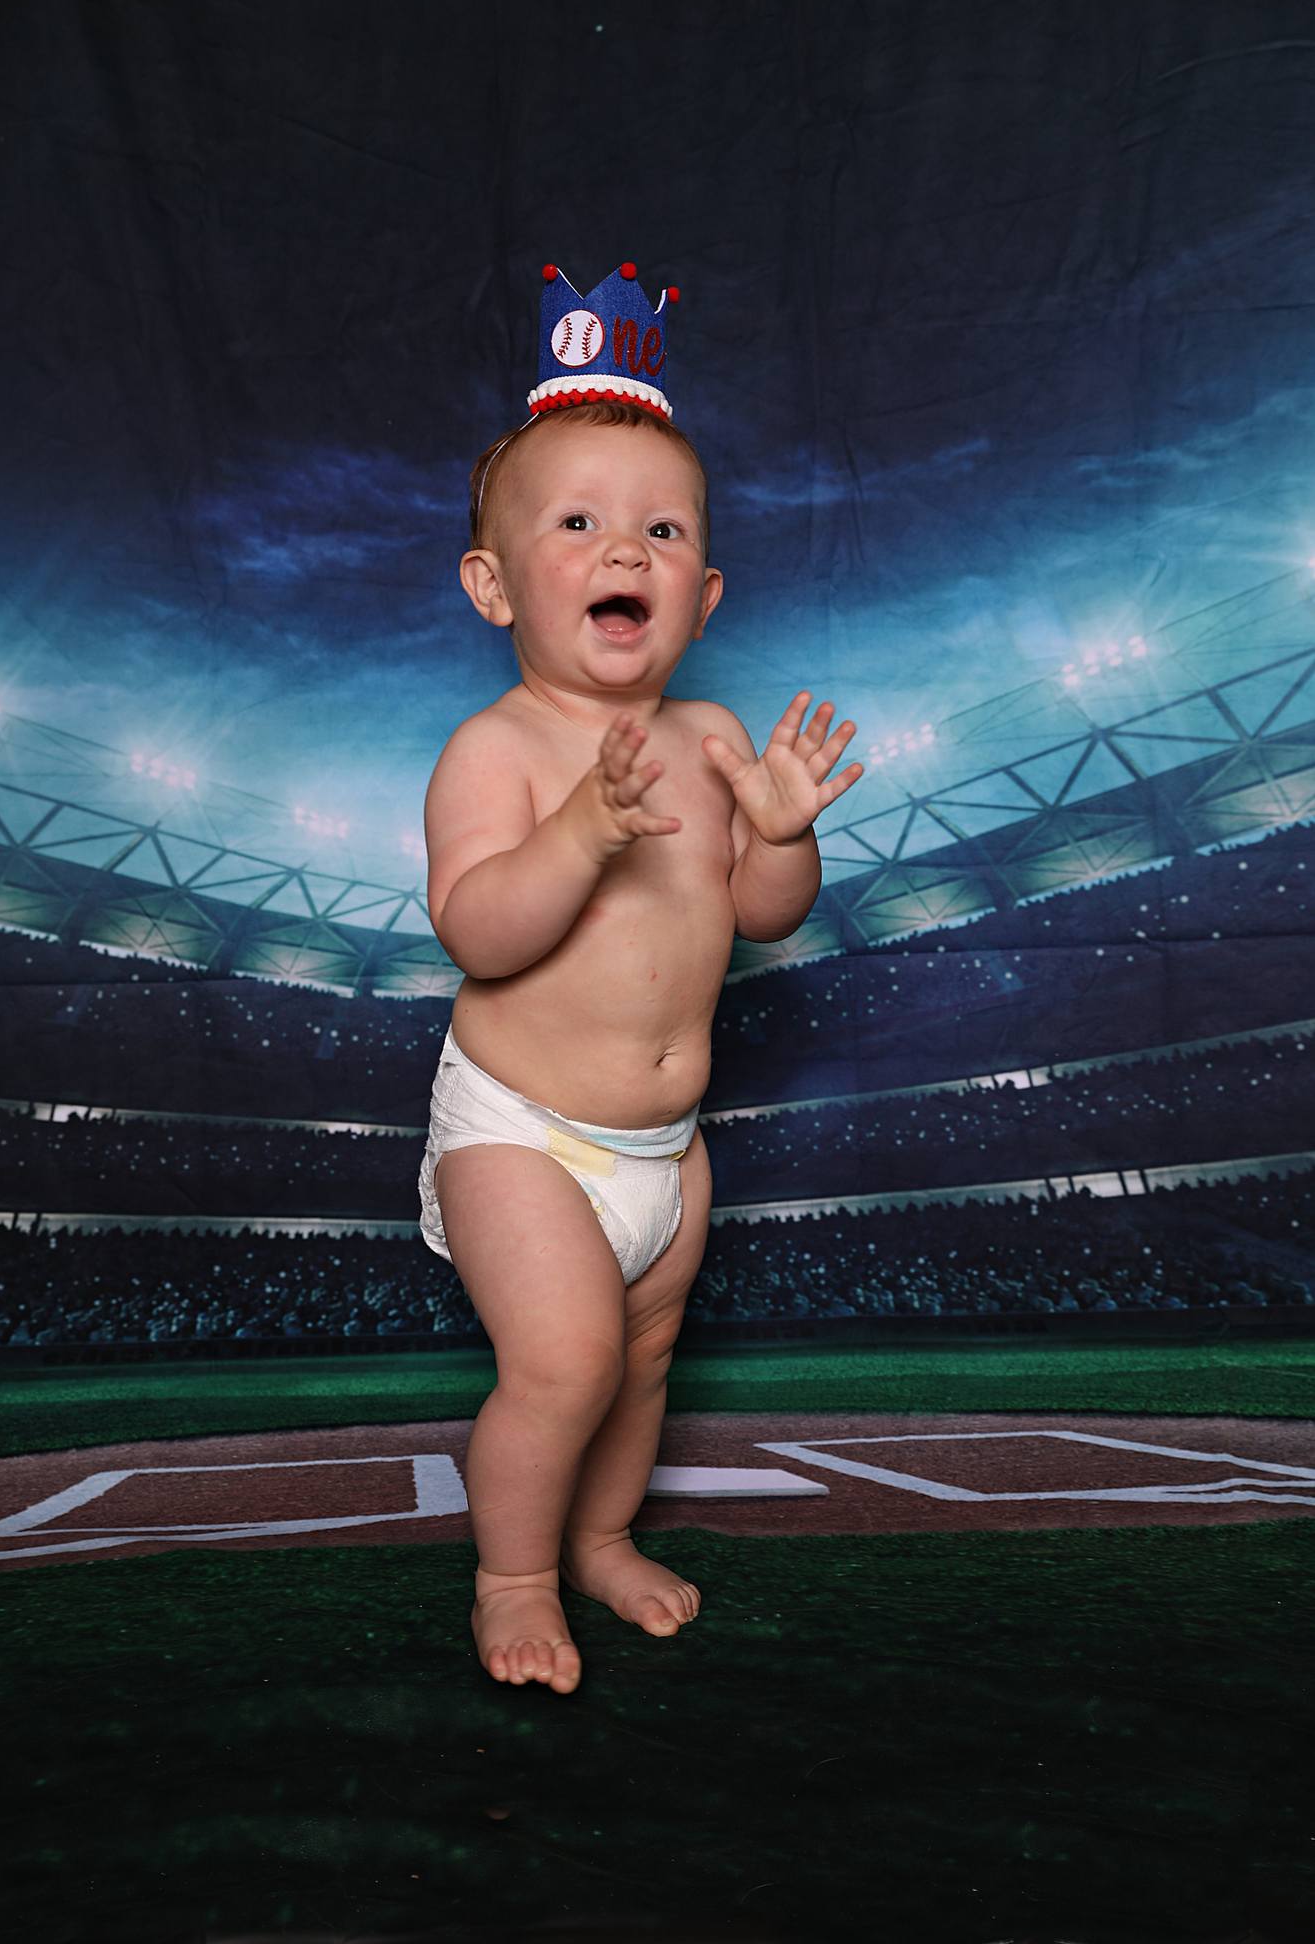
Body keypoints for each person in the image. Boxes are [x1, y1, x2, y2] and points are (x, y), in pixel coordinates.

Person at [418, 265, 864, 1693]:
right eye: (580, 523)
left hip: (666, 1150)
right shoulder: (496, 750)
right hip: (519, 1132)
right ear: (493, 585)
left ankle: (602, 1539)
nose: (629, 546)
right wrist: (580, 830)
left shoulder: (713, 732)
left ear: (704, 588)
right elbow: (480, 931)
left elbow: (762, 917)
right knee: (561, 1364)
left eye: (662, 529)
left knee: (642, 1365)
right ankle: (513, 1575)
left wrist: (783, 836)